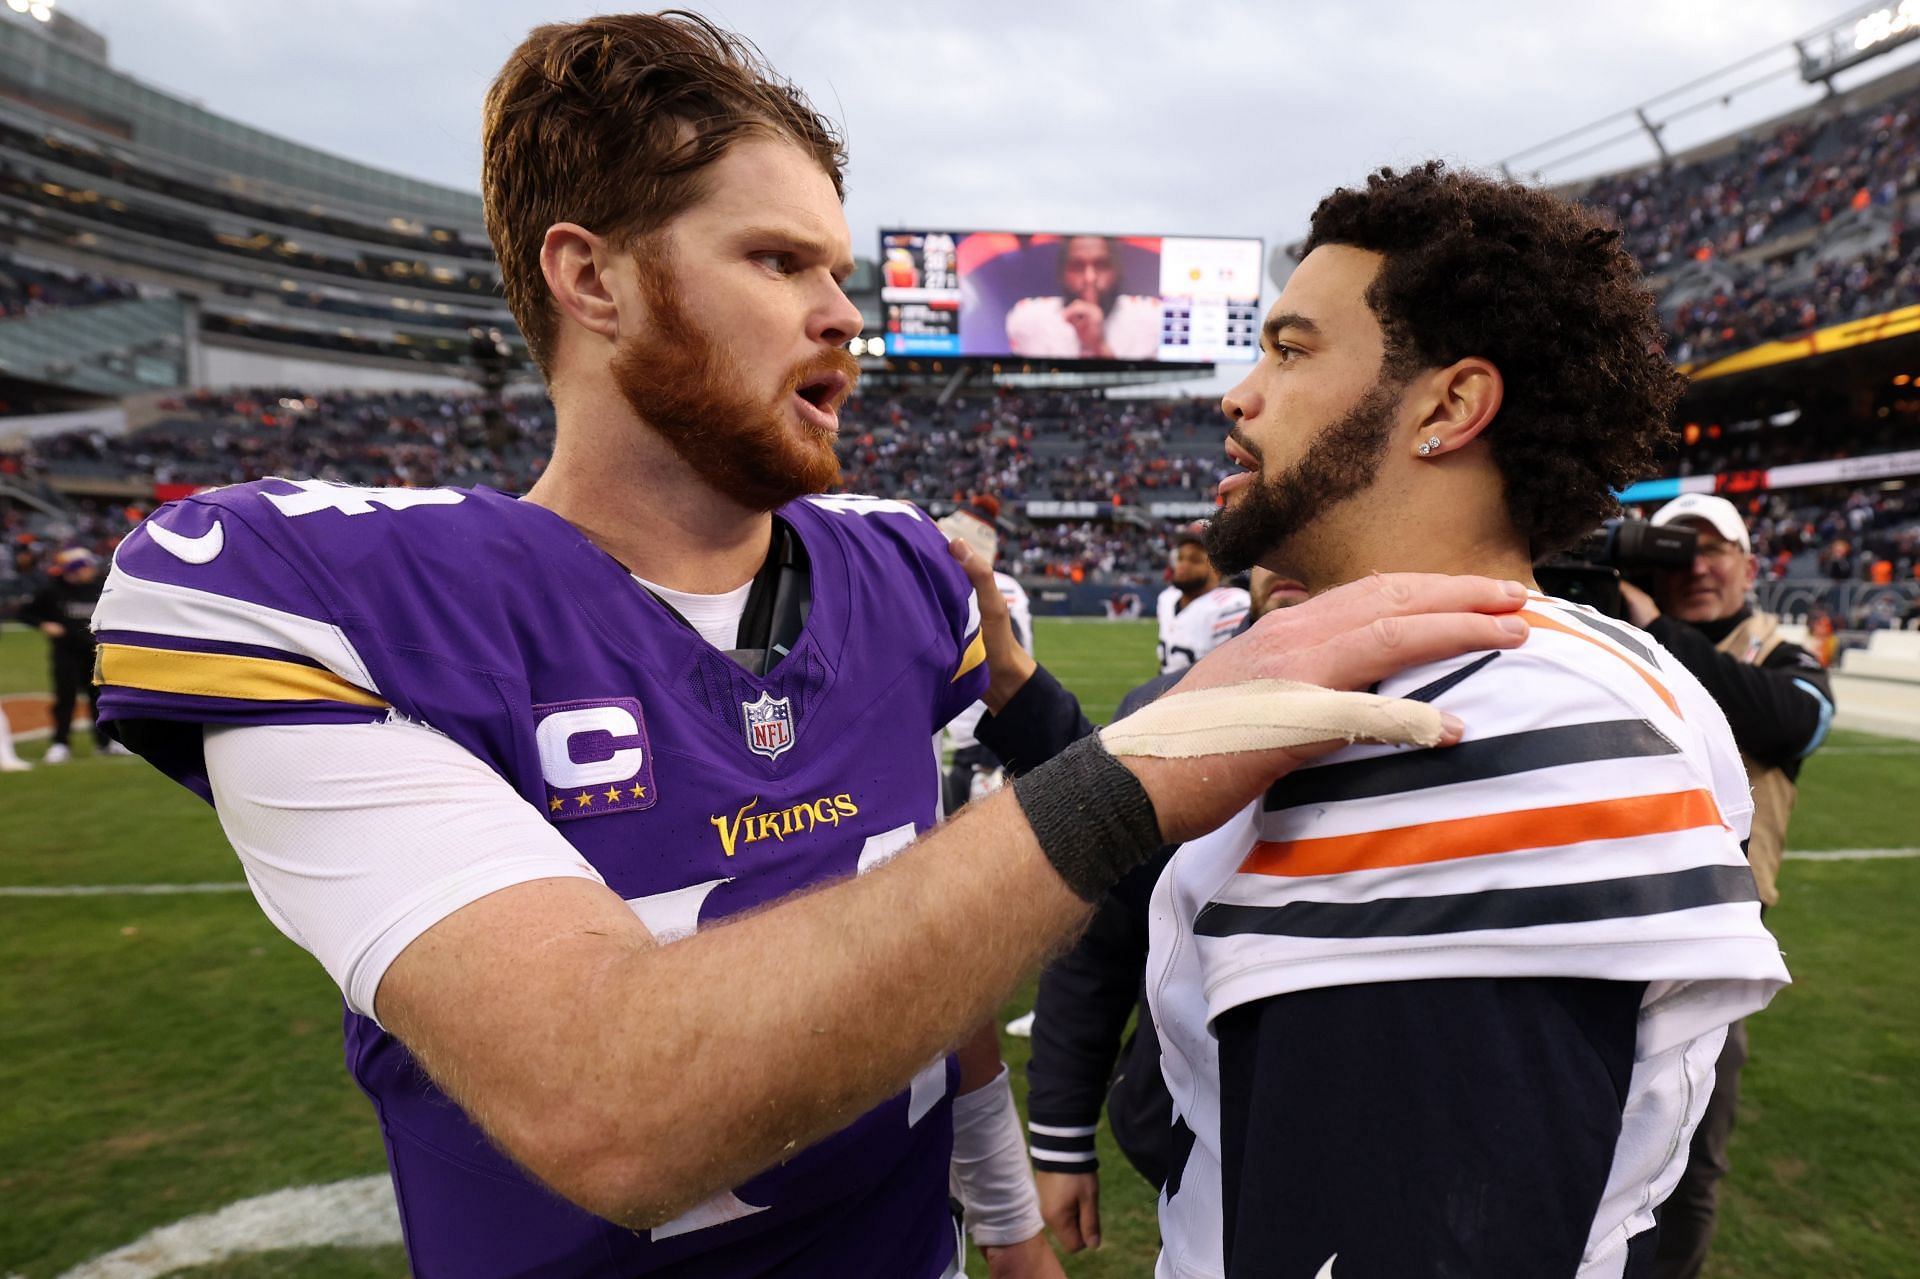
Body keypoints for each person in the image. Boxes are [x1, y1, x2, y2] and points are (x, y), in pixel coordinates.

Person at [89, 18, 1529, 1279]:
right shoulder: (310, 591)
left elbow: (934, 949)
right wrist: (1147, 760)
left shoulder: (901, 574)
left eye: (837, 266)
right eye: (779, 260)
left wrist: (1005, 1214)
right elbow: (613, 1096)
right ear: (594, 280)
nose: (844, 311)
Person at [966, 163, 1790, 1277]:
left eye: (1292, 350)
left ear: (1449, 407)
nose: (1239, 395)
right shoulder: (1533, 669)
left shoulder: (1473, 737)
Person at [1021, 564, 1298, 1252]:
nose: (1286, 550)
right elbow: (1098, 934)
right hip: (1190, 1148)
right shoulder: (1166, 709)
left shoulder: (1508, 703)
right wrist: (1061, 1133)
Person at [1617, 492, 1834, 1279]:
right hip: (1605, 919)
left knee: (1688, 1160)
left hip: (1712, 940)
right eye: (1681, 550)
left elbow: (1791, 721)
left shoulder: (1779, 651)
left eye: (1717, 550)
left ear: (1750, 564)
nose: (1700, 567)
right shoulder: (1610, 629)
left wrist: (1650, 631)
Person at [937, 496, 1033, 818]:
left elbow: (1003, 652)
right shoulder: (1013, 587)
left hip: (979, 743)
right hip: (1011, 731)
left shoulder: (959, 585)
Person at [1006, 235, 1160, 360]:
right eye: (1078, 267)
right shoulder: (1029, 319)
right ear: (1062, 274)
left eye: (1101, 265)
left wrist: (1099, 346)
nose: (1090, 278)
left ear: (1117, 271)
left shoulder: (1151, 319)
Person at [19, 547, 107, 764]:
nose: (91, 570)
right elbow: (25, 613)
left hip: (94, 653)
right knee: (65, 699)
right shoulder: (52, 591)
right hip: (65, 653)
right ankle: (60, 744)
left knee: (98, 699)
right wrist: (43, 624)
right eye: (86, 566)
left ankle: (104, 743)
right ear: (74, 569)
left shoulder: (98, 588)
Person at [1156, 525, 1250, 674]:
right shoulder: (1167, 598)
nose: (1183, 565)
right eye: (1180, 558)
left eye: (1194, 560)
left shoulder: (1230, 605)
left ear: (1218, 568)